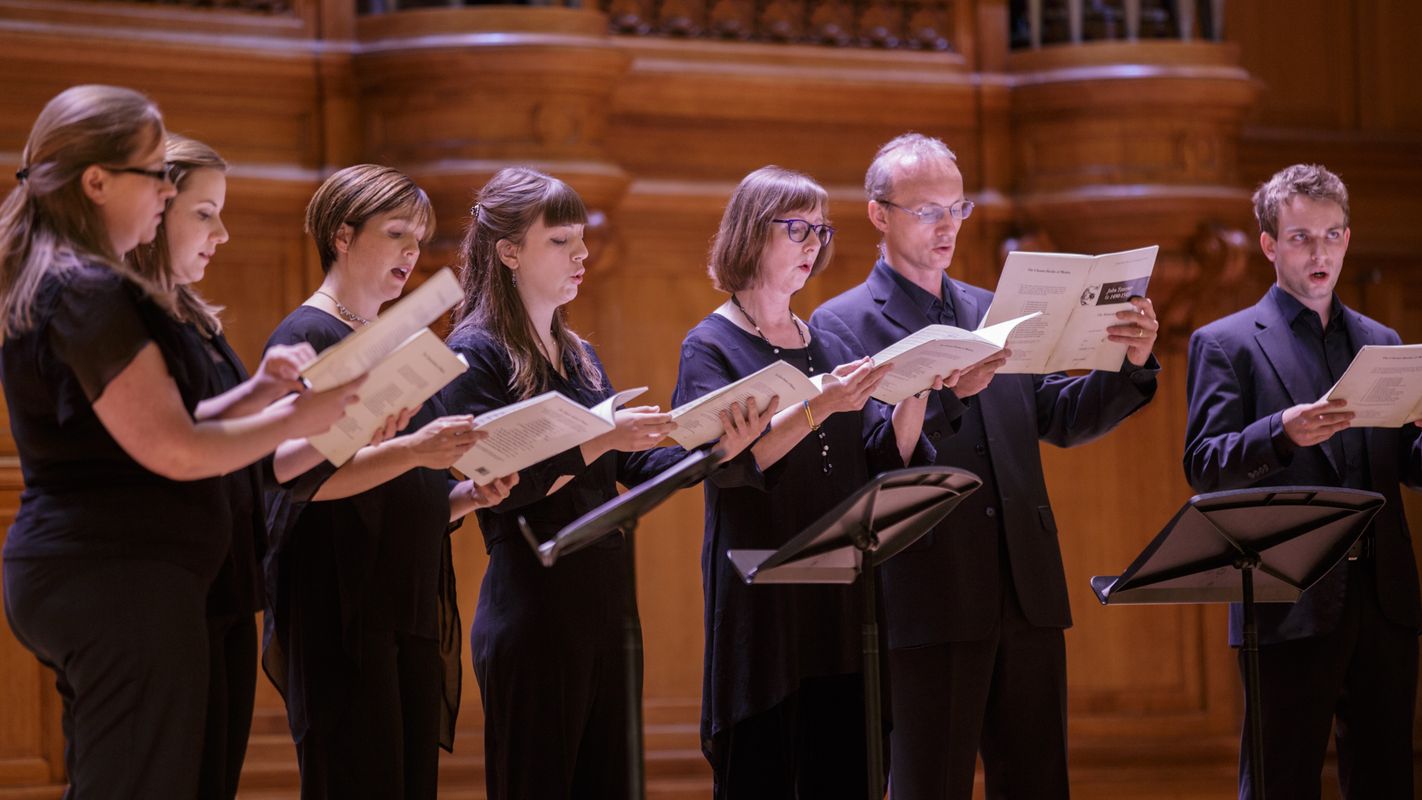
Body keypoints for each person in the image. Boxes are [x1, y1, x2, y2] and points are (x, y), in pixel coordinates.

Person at [0, 85, 355, 799]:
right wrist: (299, 420)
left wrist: (259, 396)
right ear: (97, 182)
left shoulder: (78, 281)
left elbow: (149, 424)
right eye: (155, 173)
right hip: (116, 573)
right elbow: (174, 450)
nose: (165, 190)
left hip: (114, 571)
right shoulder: (85, 289)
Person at [811, 133, 1161, 800]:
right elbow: (861, 459)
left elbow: (1058, 415)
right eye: (926, 211)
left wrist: (1131, 363)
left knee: (1037, 784)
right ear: (879, 214)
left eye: (957, 207)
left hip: (1024, 589)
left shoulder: (991, 309)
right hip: (926, 595)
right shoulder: (842, 322)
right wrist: (945, 400)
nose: (947, 226)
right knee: (928, 785)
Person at [438, 166, 768, 800]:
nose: (582, 253)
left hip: (606, 608)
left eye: (581, 238)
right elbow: (505, 478)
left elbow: (628, 467)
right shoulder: (475, 351)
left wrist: (718, 441)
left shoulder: (577, 351)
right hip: (535, 607)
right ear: (509, 252)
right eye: (560, 241)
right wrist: (600, 438)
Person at [674, 165, 942, 799]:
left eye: (820, 231)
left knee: (845, 766)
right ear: (749, 233)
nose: (813, 244)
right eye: (796, 228)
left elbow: (881, 454)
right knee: (765, 770)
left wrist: (914, 391)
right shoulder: (709, 346)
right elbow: (732, 464)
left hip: (839, 594)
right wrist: (820, 405)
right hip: (762, 599)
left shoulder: (830, 338)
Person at [262, 164, 515, 800]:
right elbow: (305, 482)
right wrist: (415, 450)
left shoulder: (389, 341)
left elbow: (402, 482)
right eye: (396, 233)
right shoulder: (309, 333)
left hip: (402, 599)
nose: (411, 251)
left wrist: (464, 496)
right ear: (342, 235)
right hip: (344, 603)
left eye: (419, 238)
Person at [1183, 163, 1421, 799]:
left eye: (1333, 235)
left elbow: (1408, 467)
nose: (1321, 253)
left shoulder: (1382, 341)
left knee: (1387, 779)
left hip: (1384, 598)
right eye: (1301, 238)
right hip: (1286, 597)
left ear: (1347, 237)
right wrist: (1281, 432)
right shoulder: (1225, 342)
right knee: (1279, 782)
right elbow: (1204, 463)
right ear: (1269, 244)